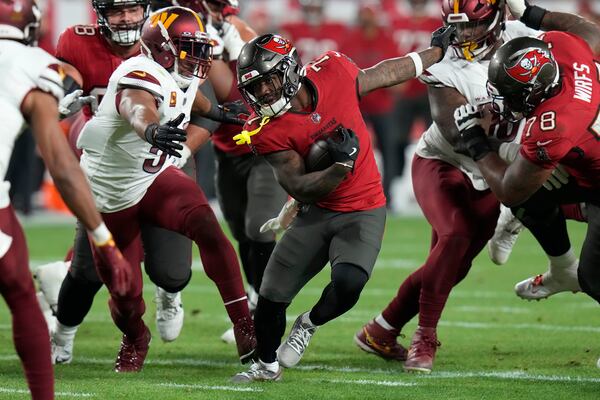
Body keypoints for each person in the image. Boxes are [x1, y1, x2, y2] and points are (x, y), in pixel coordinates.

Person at [230, 26, 455, 382]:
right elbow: (301, 187)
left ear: (290, 69)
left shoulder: (334, 72)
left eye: (268, 82)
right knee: (272, 294)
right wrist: (339, 168)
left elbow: (385, 72)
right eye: (255, 87)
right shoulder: (267, 130)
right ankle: (266, 364)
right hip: (314, 211)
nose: (263, 92)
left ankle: (310, 322)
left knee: (349, 283)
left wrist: (436, 54)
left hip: (363, 206)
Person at [36, 0, 232, 365]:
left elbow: (208, 109)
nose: (125, 18)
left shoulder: (175, 41)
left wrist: (180, 152)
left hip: (162, 163)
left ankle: (169, 293)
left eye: (131, 9)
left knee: (172, 272)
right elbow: (60, 80)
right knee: (87, 271)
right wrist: (55, 96)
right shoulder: (77, 43)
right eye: (116, 10)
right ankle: (63, 331)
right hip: (110, 169)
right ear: (99, 14)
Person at [354, 0, 543, 374]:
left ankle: (382, 329)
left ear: (497, 14)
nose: (466, 33)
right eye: (459, 25)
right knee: (454, 237)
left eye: (473, 24)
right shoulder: (443, 63)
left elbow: (590, 38)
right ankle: (425, 337)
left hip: (493, 171)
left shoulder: (527, 37)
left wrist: (534, 13)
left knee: (452, 265)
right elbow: (459, 135)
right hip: (445, 162)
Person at [75, 5, 255, 372]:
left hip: (153, 178)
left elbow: (188, 97)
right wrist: (151, 129)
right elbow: (135, 105)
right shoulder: (139, 73)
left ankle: (245, 325)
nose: (200, 57)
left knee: (208, 227)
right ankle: (135, 335)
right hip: (112, 198)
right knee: (125, 296)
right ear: (163, 48)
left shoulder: (176, 74)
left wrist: (218, 113)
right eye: (191, 48)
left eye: (201, 47)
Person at [0, 0, 133, 397]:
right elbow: (59, 162)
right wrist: (102, 239)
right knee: (22, 294)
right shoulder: (33, 64)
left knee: (18, 272)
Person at [454, 0, 600, 316]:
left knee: (593, 277)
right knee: (531, 192)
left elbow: (508, 189)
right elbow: (589, 31)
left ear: (535, 92)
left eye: (507, 94)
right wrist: (533, 14)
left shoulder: (554, 126)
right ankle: (563, 268)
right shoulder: (561, 46)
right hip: (589, 159)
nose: (500, 101)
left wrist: (474, 140)